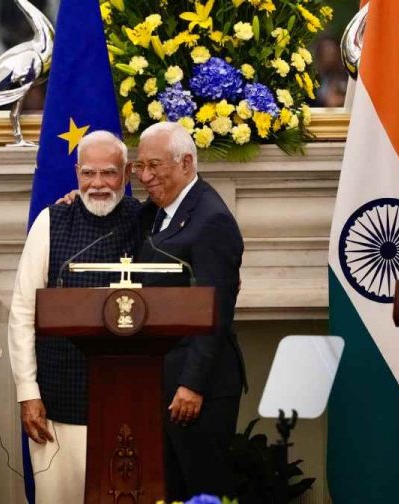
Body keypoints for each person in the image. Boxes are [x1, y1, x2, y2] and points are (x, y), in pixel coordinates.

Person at [8, 130, 141, 503]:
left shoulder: (146, 221)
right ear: (76, 172)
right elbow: (22, 311)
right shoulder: (51, 221)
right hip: (57, 401)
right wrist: (27, 392)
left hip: (128, 399)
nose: (98, 184)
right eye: (88, 174)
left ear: (127, 174)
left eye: (109, 173)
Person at [133, 122, 245, 500]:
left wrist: (192, 384)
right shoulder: (156, 211)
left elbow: (215, 311)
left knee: (203, 492)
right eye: (139, 167)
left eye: (154, 166)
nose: (145, 177)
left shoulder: (211, 219)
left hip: (198, 391)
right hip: (160, 381)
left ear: (185, 163)